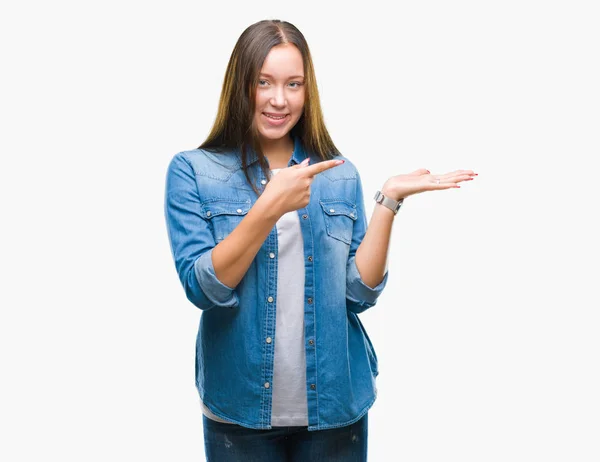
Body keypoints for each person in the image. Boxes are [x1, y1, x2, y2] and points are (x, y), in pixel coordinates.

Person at [164, 18, 477, 462]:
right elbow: (203, 288)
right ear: (240, 86)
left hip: (335, 406)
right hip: (238, 409)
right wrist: (270, 205)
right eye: (264, 83)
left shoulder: (338, 173)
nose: (279, 99)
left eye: (294, 84)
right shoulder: (193, 171)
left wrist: (388, 200)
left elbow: (357, 293)